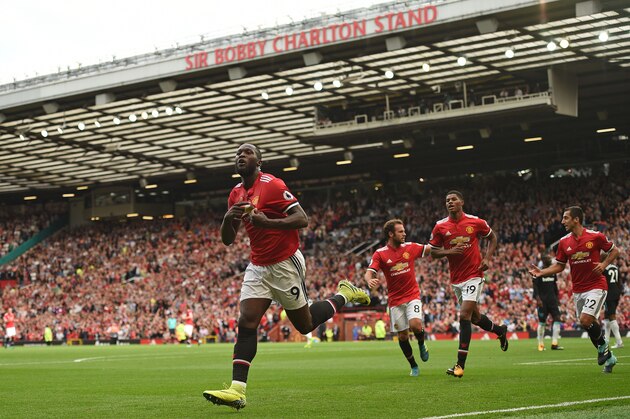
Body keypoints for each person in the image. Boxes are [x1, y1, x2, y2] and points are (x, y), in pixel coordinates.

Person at [203, 143, 370, 410]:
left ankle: (344, 294)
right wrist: (226, 218)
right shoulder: (235, 194)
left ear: (259, 160)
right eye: (238, 154)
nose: (241, 156)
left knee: (304, 325)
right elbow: (228, 240)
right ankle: (237, 390)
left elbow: (302, 219)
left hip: (284, 263)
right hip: (257, 266)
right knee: (246, 322)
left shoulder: (272, 184)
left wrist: (267, 222)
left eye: (247, 152)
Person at [528, 206, 620, 373]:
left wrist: (604, 264)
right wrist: (542, 272)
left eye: (566, 218)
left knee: (585, 320)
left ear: (576, 219)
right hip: (578, 290)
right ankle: (610, 357)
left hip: (596, 286)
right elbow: (560, 266)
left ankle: (603, 346)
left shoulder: (595, 236)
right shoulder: (564, 242)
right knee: (590, 324)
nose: (562, 221)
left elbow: (615, 250)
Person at [429, 190, 508, 378]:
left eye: (453, 199)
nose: (450, 202)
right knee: (474, 317)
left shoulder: (475, 222)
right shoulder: (440, 226)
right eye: (447, 200)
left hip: (474, 275)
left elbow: (492, 237)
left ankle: (459, 365)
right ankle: (499, 330)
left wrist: (488, 258)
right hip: (456, 279)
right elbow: (433, 251)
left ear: (462, 202)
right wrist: (449, 251)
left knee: (464, 315)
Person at [365, 219, 430, 376]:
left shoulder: (410, 247)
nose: (404, 233)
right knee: (402, 335)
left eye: (404, 230)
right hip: (395, 300)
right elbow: (369, 272)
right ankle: (413, 365)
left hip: (412, 295)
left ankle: (421, 343)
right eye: (400, 231)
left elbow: (431, 249)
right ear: (391, 234)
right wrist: (369, 280)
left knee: (415, 325)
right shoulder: (380, 253)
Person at [533, 255, 564, 351]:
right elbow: (535, 287)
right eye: (549, 260)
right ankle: (540, 344)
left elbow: (554, 286)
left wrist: (557, 298)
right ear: (545, 261)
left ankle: (554, 343)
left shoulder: (552, 273)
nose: (551, 261)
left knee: (557, 318)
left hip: (552, 300)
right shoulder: (538, 272)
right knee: (542, 322)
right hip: (543, 301)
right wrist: (537, 299)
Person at [602, 263, 623, 349]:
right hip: (616, 293)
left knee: (611, 316)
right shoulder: (615, 267)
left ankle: (619, 342)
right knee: (607, 317)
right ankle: (606, 341)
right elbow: (619, 281)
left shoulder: (604, 269)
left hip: (609, 294)